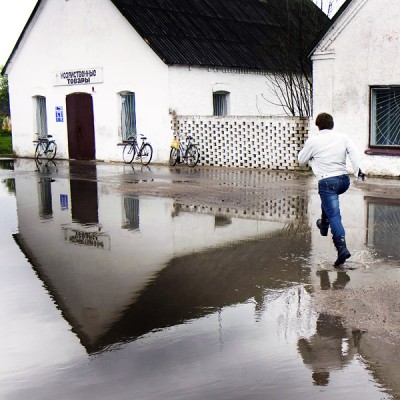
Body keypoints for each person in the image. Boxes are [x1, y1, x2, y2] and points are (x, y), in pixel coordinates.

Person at [298, 112, 365, 267]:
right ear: (332, 125)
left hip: (327, 182)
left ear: (318, 125)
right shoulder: (343, 137)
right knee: (328, 202)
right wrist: (359, 171)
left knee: (334, 215)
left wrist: (312, 157)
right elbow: (354, 153)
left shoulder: (313, 141)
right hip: (343, 181)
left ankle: (341, 248)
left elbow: (301, 160)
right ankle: (323, 225)